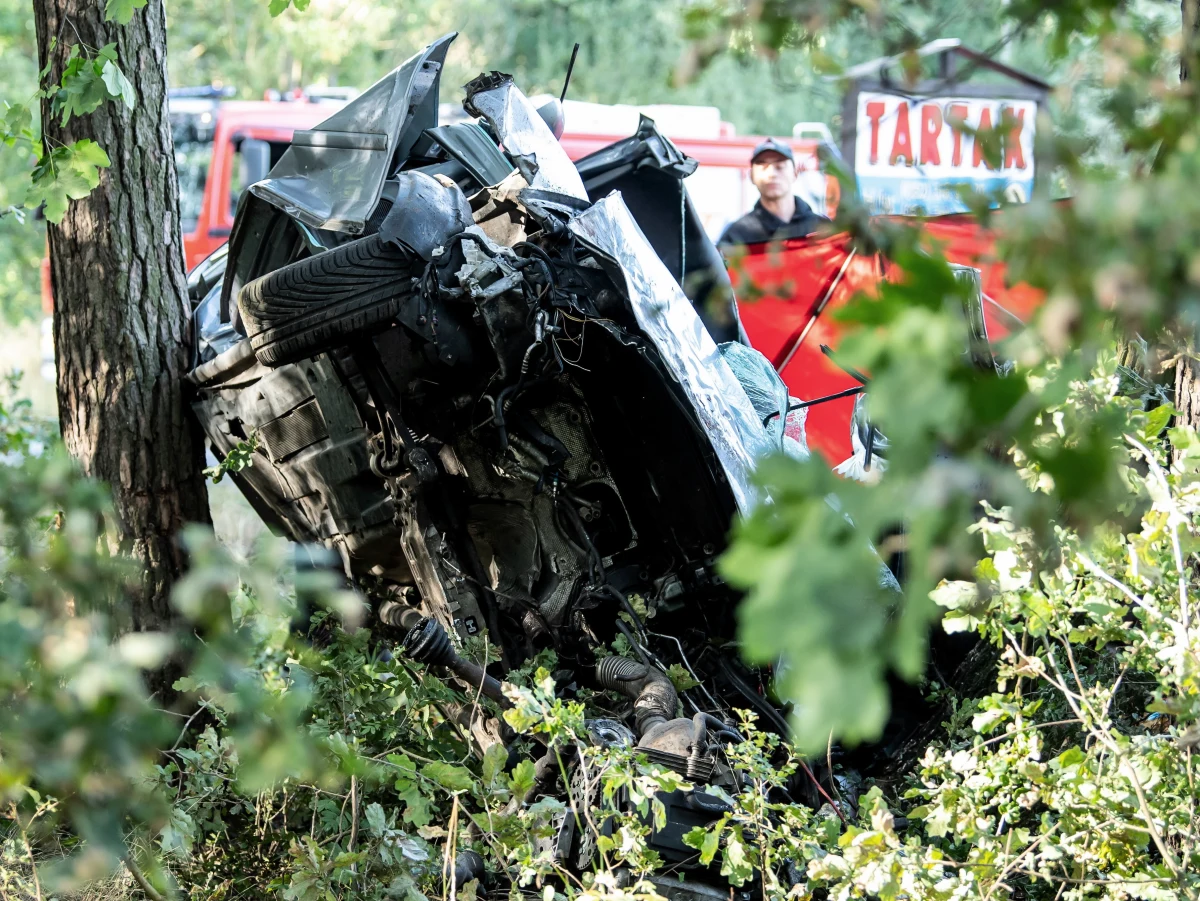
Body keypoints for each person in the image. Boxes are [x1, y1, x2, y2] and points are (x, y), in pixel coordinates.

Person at [718, 138, 829, 246]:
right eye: (763, 167)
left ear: (795, 174)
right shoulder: (736, 236)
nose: (772, 174)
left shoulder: (824, 230)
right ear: (751, 176)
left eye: (780, 167)